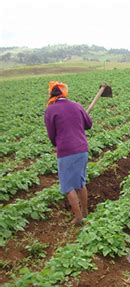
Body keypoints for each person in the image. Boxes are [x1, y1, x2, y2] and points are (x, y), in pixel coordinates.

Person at [44, 81, 92, 225]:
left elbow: (52, 135)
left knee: (68, 186)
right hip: (82, 148)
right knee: (80, 182)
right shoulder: (76, 105)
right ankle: (85, 213)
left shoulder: (50, 110)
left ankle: (78, 218)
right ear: (64, 93)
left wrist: (57, 144)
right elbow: (88, 124)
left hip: (66, 151)